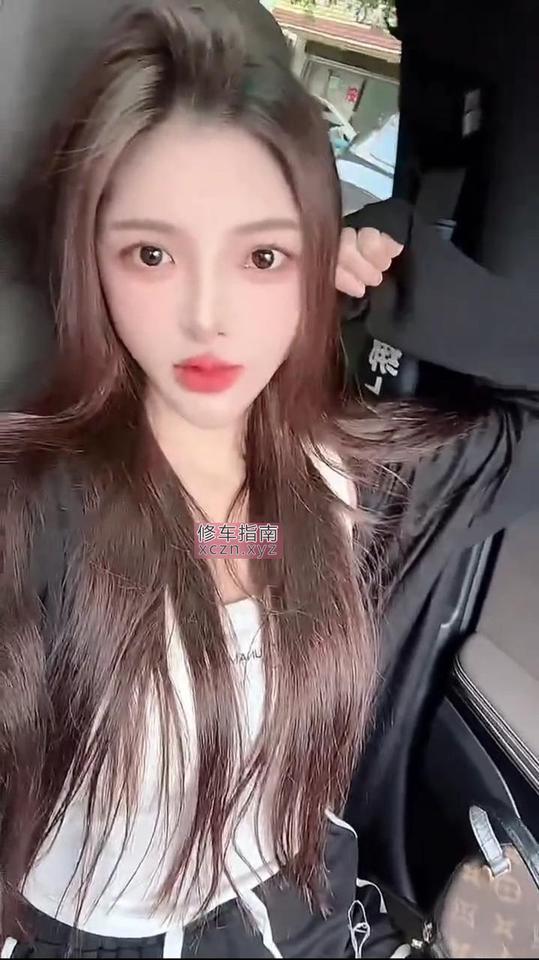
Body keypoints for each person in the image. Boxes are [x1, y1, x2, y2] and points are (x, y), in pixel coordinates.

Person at [0, 1, 536, 958]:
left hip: (299, 902)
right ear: (92, 262)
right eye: (153, 254)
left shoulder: (356, 485)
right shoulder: (30, 503)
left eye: (261, 255)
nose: (208, 315)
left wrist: (414, 284)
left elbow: (231, 537)